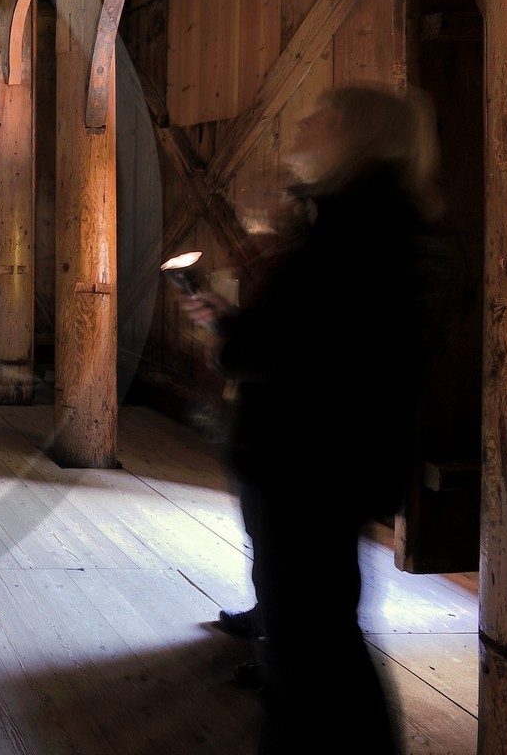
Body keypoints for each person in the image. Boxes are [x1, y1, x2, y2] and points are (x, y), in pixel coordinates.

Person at [181, 84, 449, 754]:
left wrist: (233, 347)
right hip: (312, 464)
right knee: (313, 644)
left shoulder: (362, 230)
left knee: (314, 653)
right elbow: (310, 334)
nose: (301, 127)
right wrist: (231, 323)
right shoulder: (359, 219)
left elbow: (306, 352)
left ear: (355, 135)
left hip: (309, 467)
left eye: (319, 119)